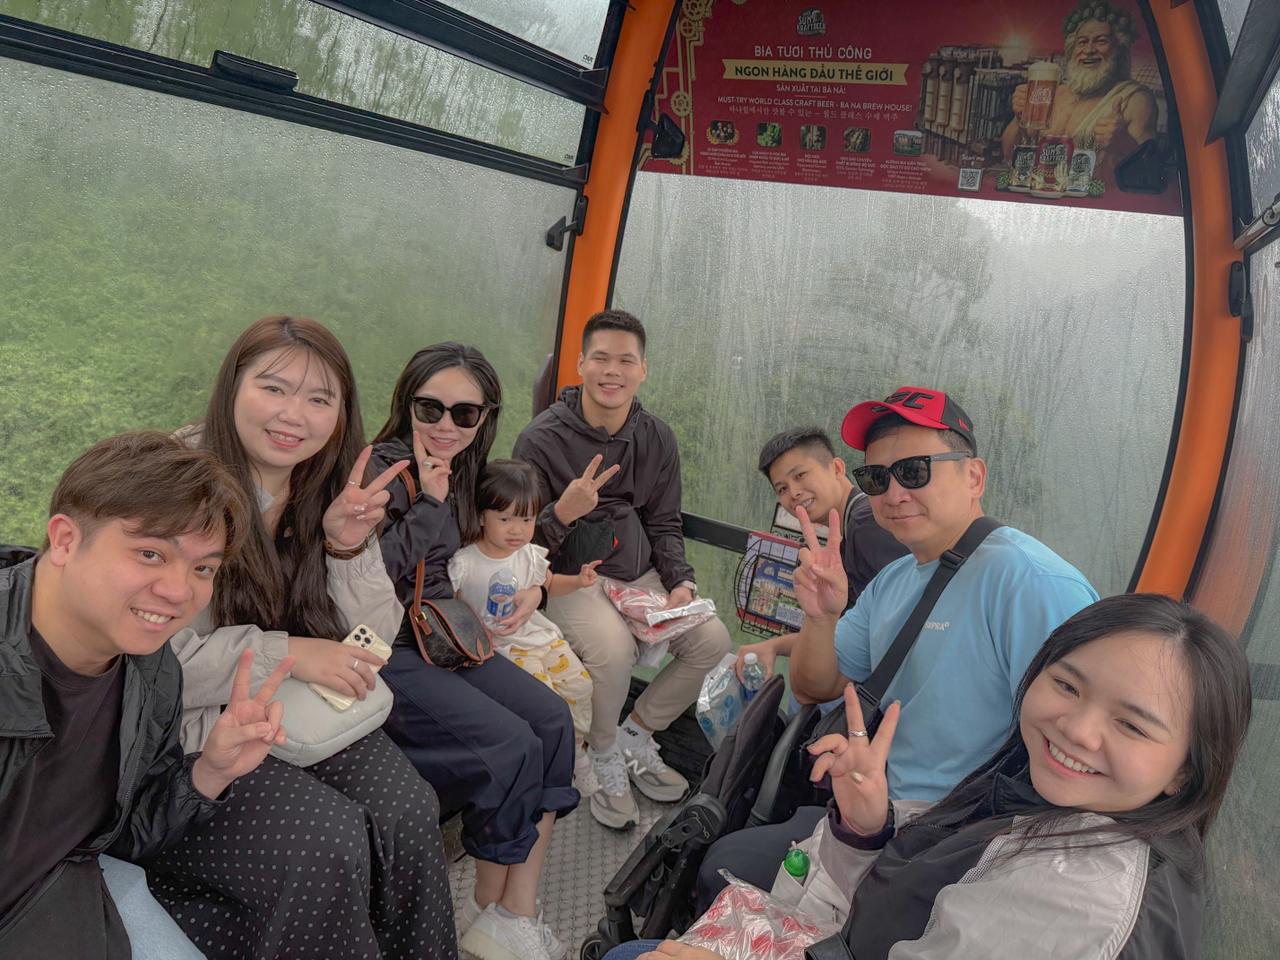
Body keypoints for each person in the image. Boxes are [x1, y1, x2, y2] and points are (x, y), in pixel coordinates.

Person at [604, 593, 1253, 960]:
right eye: (1066, 684)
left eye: (1133, 725)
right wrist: (866, 828)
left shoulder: (1078, 895)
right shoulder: (1037, 791)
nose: (1080, 730)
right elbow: (818, 679)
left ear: (1185, 771)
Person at [696, 386, 1098, 910]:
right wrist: (821, 615)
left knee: (725, 873)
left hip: (950, 848)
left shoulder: (1030, 584)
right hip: (872, 814)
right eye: (877, 478)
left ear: (973, 476)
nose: (893, 492)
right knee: (720, 865)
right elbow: (815, 685)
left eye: (914, 471)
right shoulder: (895, 580)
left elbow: (1083, 756)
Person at [145, 316, 459, 960]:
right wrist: (287, 651)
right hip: (195, 732)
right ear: (232, 388)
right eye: (274, 388)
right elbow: (153, 663)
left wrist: (346, 547)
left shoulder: (330, 488)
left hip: (292, 706)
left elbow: (373, 640)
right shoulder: (177, 489)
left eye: (320, 398)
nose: (295, 415)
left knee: (409, 808)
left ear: (342, 414)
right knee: (330, 840)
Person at [0, 432, 292, 959]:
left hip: (60, 896)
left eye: (203, 567)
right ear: (65, 541)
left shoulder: (153, 672)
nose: (180, 592)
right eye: (151, 553)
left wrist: (210, 774)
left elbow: (125, 832)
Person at [370, 343, 578, 960]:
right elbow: (364, 578)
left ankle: (515, 910)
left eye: (466, 414)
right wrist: (429, 502)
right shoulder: (385, 470)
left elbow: (502, 537)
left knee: (553, 721)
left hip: (443, 630)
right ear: (405, 403)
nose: (445, 425)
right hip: (386, 641)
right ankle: (488, 912)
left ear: (485, 419)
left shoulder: (463, 468)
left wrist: (539, 582)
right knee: (509, 745)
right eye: (430, 407)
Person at [513, 309, 733, 831]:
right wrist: (564, 511)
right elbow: (517, 540)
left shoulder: (657, 438)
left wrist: (680, 580)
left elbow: (664, 520)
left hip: (637, 571)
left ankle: (636, 732)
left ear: (643, 370)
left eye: (626, 361)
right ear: (582, 364)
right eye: (602, 358)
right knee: (611, 652)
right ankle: (604, 749)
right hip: (570, 573)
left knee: (713, 640)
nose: (613, 371)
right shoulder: (541, 439)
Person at [448, 458, 602, 795]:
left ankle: (578, 753)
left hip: (537, 637)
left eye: (527, 519)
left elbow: (549, 584)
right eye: (505, 519)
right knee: (546, 699)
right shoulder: (465, 562)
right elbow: (451, 607)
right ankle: (551, 765)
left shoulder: (530, 555)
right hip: (503, 648)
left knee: (580, 687)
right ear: (480, 515)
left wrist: (577, 581)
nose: (517, 530)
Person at [733, 427, 908, 684]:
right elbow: (847, 628)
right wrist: (775, 646)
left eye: (801, 475)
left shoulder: (866, 523)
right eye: (781, 488)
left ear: (837, 468)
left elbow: (900, 619)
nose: (793, 493)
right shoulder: (848, 528)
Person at [1001, 1, 1156, 179]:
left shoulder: (1135, 99)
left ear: (1118, 49)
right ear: (1072, 50)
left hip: (1093, 204)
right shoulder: (1053, 93)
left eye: (1101, 41)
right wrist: (1019, 119)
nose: (1089, 50)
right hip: (1038, 196)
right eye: (1082, 42)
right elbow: (1008, 154)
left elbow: (1148, 173)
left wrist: (1123, 142)